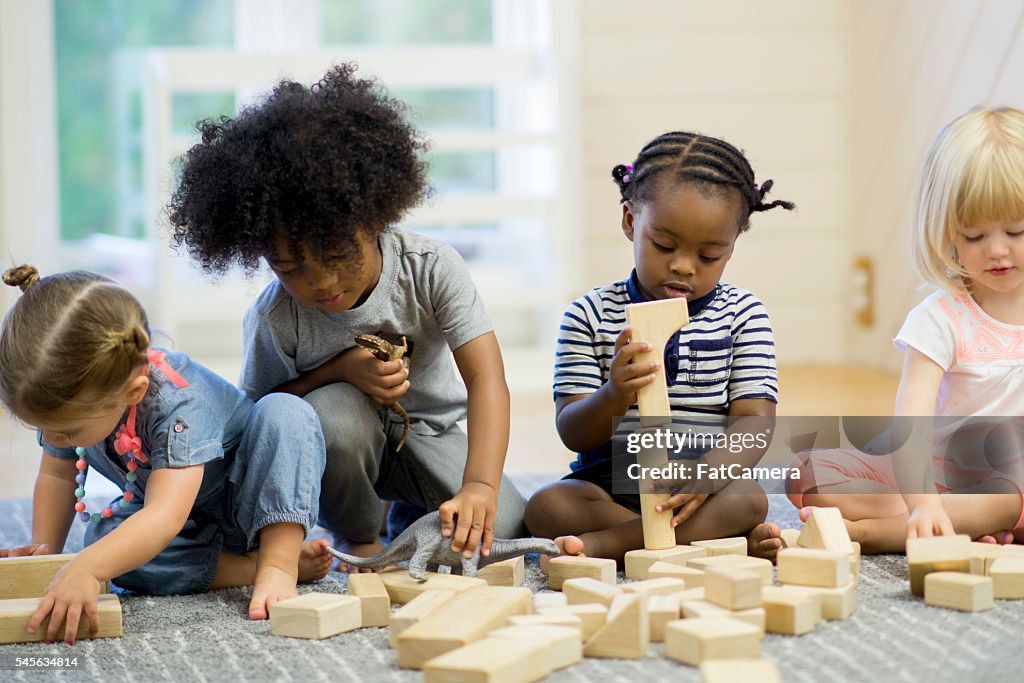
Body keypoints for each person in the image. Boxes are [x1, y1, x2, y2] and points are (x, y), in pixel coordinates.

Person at [166, 63, 527, 570]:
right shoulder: (276, 315)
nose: (322, 283)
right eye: (291, 268)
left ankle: (409, 515)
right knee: (333, 413)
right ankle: (359, 532)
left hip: (430, 433)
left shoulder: (430, 268)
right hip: (342, 448)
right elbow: (262, 418)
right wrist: (337, 370)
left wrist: (481, 486)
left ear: (375, 215)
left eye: (336, 256)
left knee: (504, 529)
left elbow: (488, 378)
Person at [0, 266, 329, 643]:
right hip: (183, 525)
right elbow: (58, 476)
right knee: (105, 541)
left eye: (68, 432)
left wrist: (88, 569)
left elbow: (164, 516)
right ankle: (245, 569)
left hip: (250, 501)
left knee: (286, 412)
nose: (55, 438)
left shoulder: (176, 406)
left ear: (134, 391)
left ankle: (277, 562)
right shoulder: (77, 400)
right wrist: (48, 559)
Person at [524, 131, 795, 564]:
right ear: (631, 221)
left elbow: (754, 423)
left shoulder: (744, 314)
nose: (683, 266)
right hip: (607, 488)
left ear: (732, 246)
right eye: (664, 245)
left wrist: (706, 475)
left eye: (709, 256)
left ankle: (612, 546)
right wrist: (614, 394)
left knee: (748, 499)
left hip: (699, 490)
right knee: (546, 507)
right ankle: (699, 542)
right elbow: (572, 430)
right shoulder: (588, 314)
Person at [786, 107, 1024, 553]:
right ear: (946, 231)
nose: (997, 250)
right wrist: (923, 501)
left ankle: (875, 534)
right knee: (807, 473)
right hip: (934, 472)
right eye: (974, 236)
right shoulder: (940, 318)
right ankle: (935, 521)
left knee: (1003, 493)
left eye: (1016, 230)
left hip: (1009, 486)